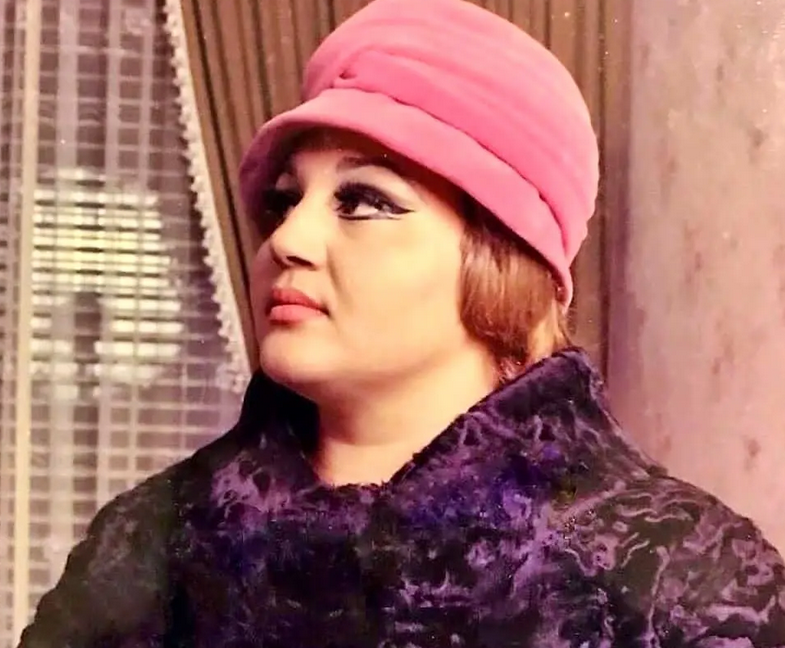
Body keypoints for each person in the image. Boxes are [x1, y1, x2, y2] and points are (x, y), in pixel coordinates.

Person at [18, 0, 785, 646]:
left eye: (363, 201)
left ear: (498, 258)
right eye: (285, 201)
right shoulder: (149, 541)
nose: (287, 239)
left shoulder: (679, 571)